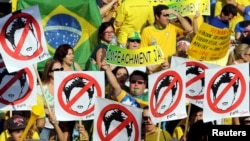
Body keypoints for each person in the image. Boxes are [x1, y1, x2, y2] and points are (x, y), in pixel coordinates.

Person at [140, 4, 192, 73]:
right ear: (157, 17)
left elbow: (189, 29)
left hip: (172, 67)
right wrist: (149, 67)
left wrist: (176, 14)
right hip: (156, 71)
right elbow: (142, 52)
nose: (167, 18)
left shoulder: (172, 26)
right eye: (165, 15)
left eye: (168, 15)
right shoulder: (147, 31)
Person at [38, 59, 64, 141]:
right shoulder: (40, 88)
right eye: (57, 70)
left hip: (61, 127)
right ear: (49, 72)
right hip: (44, 127)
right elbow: (33, 108)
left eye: (61, 69)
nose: (60, 71)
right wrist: (46, 111)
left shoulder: (65, 88)